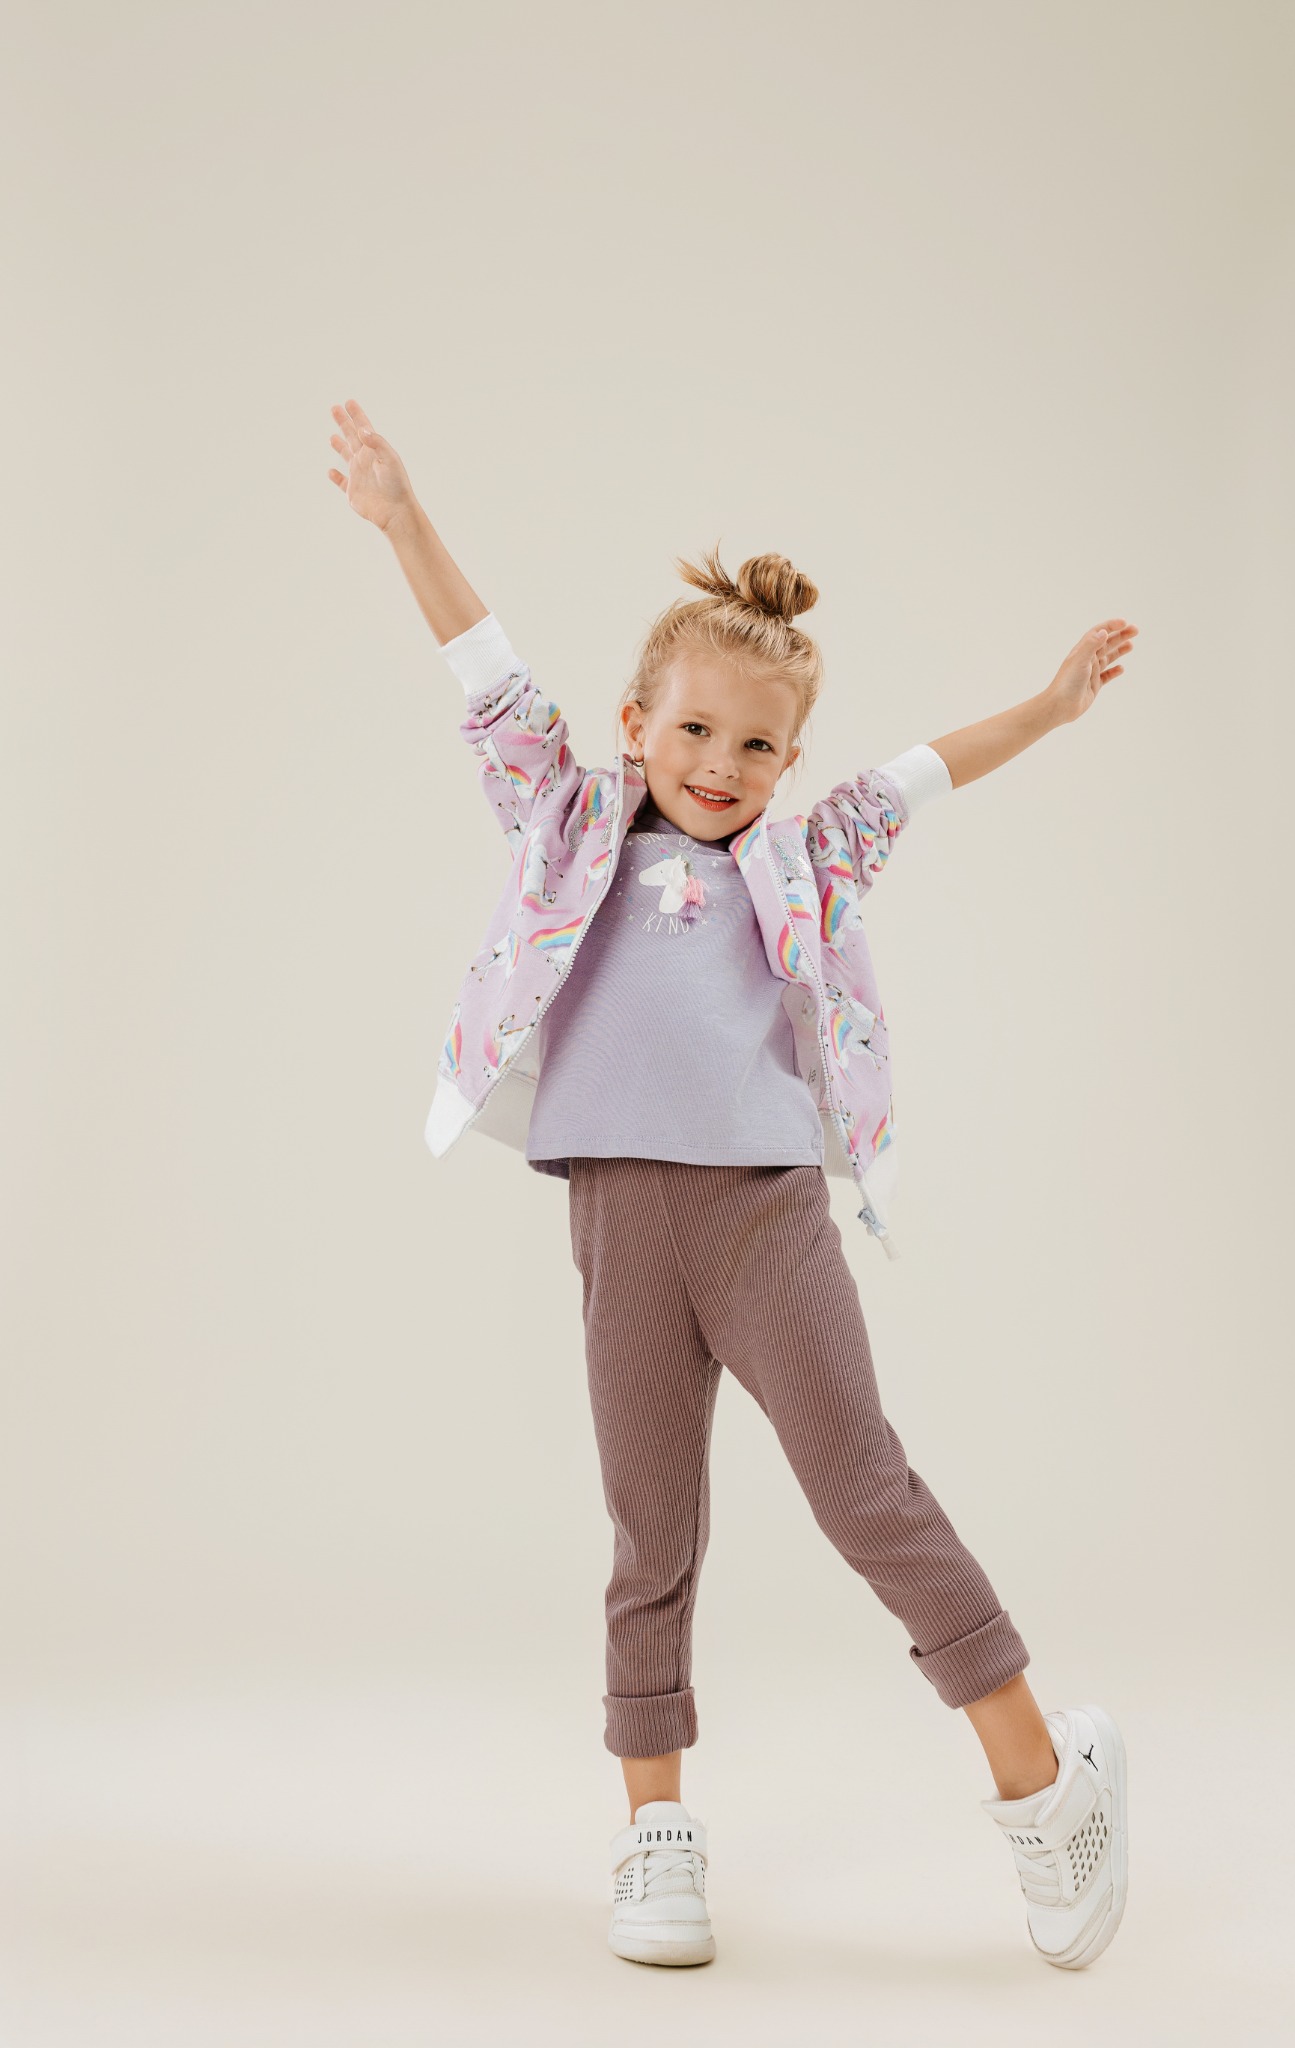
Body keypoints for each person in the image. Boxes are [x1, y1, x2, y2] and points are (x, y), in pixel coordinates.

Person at [327, 396, 1138, 1974]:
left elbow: (925, 771)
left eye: (757, 745)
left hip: (764, 1219)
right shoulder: (566, 815)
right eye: (694, 731)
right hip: (618, 1218)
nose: (721, 765)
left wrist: (1048, 709)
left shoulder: (805, 855)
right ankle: (654, 1834)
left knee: (863, 1492)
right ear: (634, 723)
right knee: (650, 1530)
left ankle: (1047, 1788)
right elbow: (483, 669)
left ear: (788, 761)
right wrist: (403, 517)